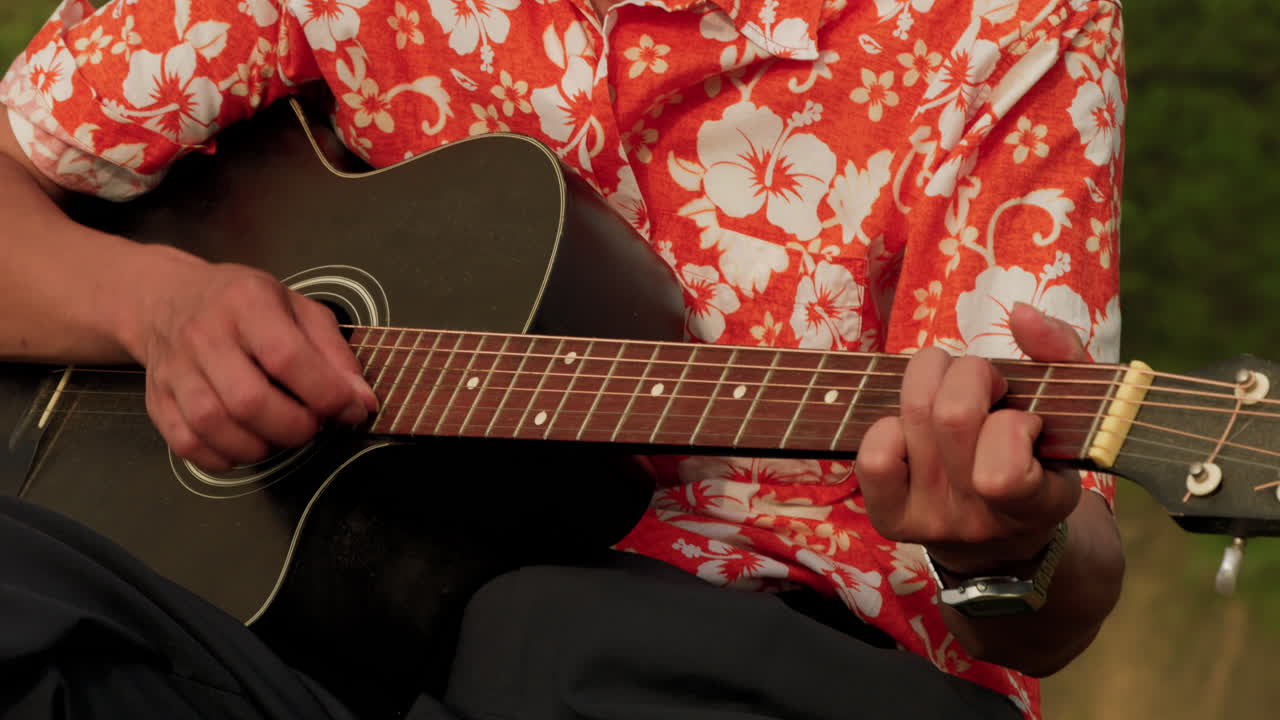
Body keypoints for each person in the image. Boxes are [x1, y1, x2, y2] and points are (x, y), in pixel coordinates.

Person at [0, 0, 1126, 718]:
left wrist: (1011, 546)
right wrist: (153, 305)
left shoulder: (1009, 25)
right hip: (304, 630)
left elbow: (1051, 605)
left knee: (554, 639)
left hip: (738, 669)